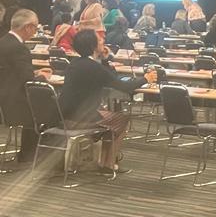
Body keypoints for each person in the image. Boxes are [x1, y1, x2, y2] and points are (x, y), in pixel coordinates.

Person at [58, 29, 155, 172]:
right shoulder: (94, 68)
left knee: (110, 119)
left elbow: (107, 76)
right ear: (92, 46)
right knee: (121, 120)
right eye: (99, 40)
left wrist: (103, 59)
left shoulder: (74, 63)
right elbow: (124, 87)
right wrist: (146, 79)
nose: (103, 41)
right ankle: (108, 164)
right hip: (81, 119)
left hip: (63, 116)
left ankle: (105, 162)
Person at [0, 10, 52, 162]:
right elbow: (28, 81)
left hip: (4, 98)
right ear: (28, 27)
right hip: (15, 102)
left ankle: (28, 153)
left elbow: (13, 72)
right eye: (35, 28)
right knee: (51, 108)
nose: (35, 32)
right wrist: (43, 76)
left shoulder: (3, 42)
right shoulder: (19, 48)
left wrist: (36, 72)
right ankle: (32, 155)